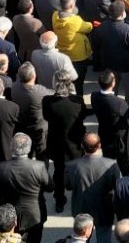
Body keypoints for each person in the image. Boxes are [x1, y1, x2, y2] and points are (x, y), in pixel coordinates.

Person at [0, 134, 53, 243]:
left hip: (9, 218)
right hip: (35, 215)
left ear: (11, 148)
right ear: (29, 149)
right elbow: (50, 187)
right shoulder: (39, 166)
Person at [67, 134, 123, 243]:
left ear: (82, 146)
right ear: (100, 146)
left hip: (81, 208)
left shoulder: (71, 166)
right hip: (104, 209)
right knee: (104, 238)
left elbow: (68, 185)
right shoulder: (111, 165)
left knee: (81, 239)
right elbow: (118, 187)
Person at [46, 70, 87, 213]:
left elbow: (46, 117)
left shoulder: (47, 101)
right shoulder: (78, 102)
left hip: (56, 142)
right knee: (77, 172)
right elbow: (82, 117)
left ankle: (59, 200)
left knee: (58, 171)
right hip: (74, 143)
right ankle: (79, 199)